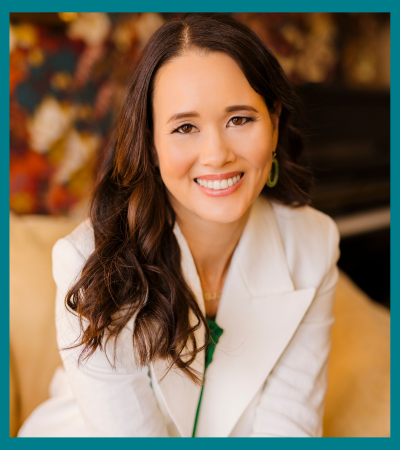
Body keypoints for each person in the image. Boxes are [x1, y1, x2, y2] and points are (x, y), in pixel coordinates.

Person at [18, 13, 340, 438]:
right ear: (150, 143)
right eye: (185, 127)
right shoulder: (89, 262)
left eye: (239, 119)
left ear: (275, 122)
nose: (215, 154)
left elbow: (290, 426)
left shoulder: (314, 243)